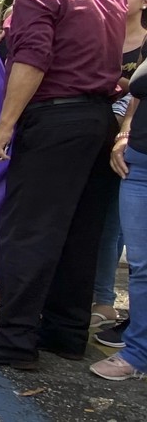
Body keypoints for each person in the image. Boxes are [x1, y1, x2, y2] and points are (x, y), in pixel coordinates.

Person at [0, 0, 127, 369]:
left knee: (29, 232)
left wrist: (4, 125)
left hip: (54, 121)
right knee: (80, 232)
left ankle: (14, 340)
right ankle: (66, 333)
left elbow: (33, 58)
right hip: (99, 121)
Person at [91, 0, 147, 329]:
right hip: (93, 129)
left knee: (114, 222)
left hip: (128, 137)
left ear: (144, 0)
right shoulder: (100, 35)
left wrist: (123, 132)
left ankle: (104, 300)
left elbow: (139, 93)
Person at [91, 61, 147, 380]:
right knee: (141, 266)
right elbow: (138, 94)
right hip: (138, 165)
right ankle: (138, 354)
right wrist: (124, 135)